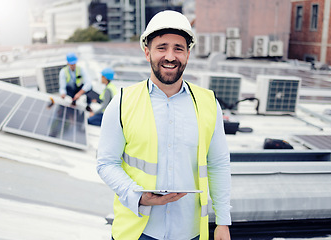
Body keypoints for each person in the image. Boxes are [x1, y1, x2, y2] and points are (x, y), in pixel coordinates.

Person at [96, 10, 231, 240]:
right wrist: (137, 195)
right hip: (138, 232)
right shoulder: (122, 102)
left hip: (189, 232)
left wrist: (223, 222)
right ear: (147, 52)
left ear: (188, 54)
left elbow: (218, 164)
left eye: (178, 48)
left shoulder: (208, 103)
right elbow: (106, 163)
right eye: (162, 47)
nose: (170, 56)